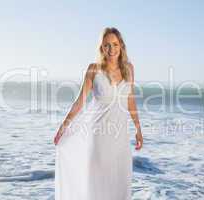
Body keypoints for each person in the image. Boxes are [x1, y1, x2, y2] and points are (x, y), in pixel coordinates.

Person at [53, 27, 143, 200]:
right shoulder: (94, 70)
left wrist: (138, 130)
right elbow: (80, 102)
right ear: (102, 47)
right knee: (99, 187)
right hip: (99, 138)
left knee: (119, 186)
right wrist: (63, 127)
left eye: (115, 44)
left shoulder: (129, 69)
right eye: (107, 45)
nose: (112, 49)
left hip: (120, 139)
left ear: (121, 46)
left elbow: (130, 100)